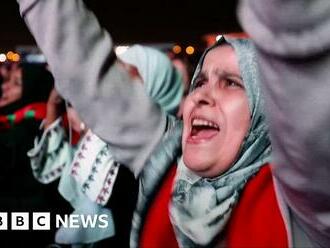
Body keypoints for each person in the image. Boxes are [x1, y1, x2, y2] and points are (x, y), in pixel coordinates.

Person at [17, 0, 330, 247]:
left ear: (270, 112)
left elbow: (299, 41)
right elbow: (84, 64)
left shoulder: (304, 207)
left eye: (232, 83)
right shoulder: (166, 165)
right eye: (199, 82)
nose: (203, 96)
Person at [27, 45, 184, 247]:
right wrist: (54, 104)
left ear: (156, 85)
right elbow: (51, 179)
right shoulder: (102, 135)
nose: (116, 83)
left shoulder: (159, 151)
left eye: (129, 74)